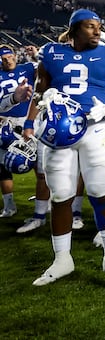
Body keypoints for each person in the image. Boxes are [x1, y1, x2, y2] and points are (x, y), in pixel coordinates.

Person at [23, 8, 105, 285]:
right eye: (90, 27)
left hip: (94, 129)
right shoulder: (51, 53)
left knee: (98, 192)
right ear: (73, 30)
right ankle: (62, 260)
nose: (98, 31)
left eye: (99, 26)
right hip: (59, 135)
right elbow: (39, 91)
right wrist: (35, 112)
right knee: (60, 195)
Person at [0, 44, 36, 219]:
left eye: (10, 57)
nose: (8, 61)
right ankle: (9, 206)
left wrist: (36, 56)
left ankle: (45, 197)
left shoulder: (27, 68)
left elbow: (46, 72)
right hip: (3, 122)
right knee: (2, 167)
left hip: (28, 120)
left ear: (15, 55)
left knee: (38, 162)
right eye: (4, 59)